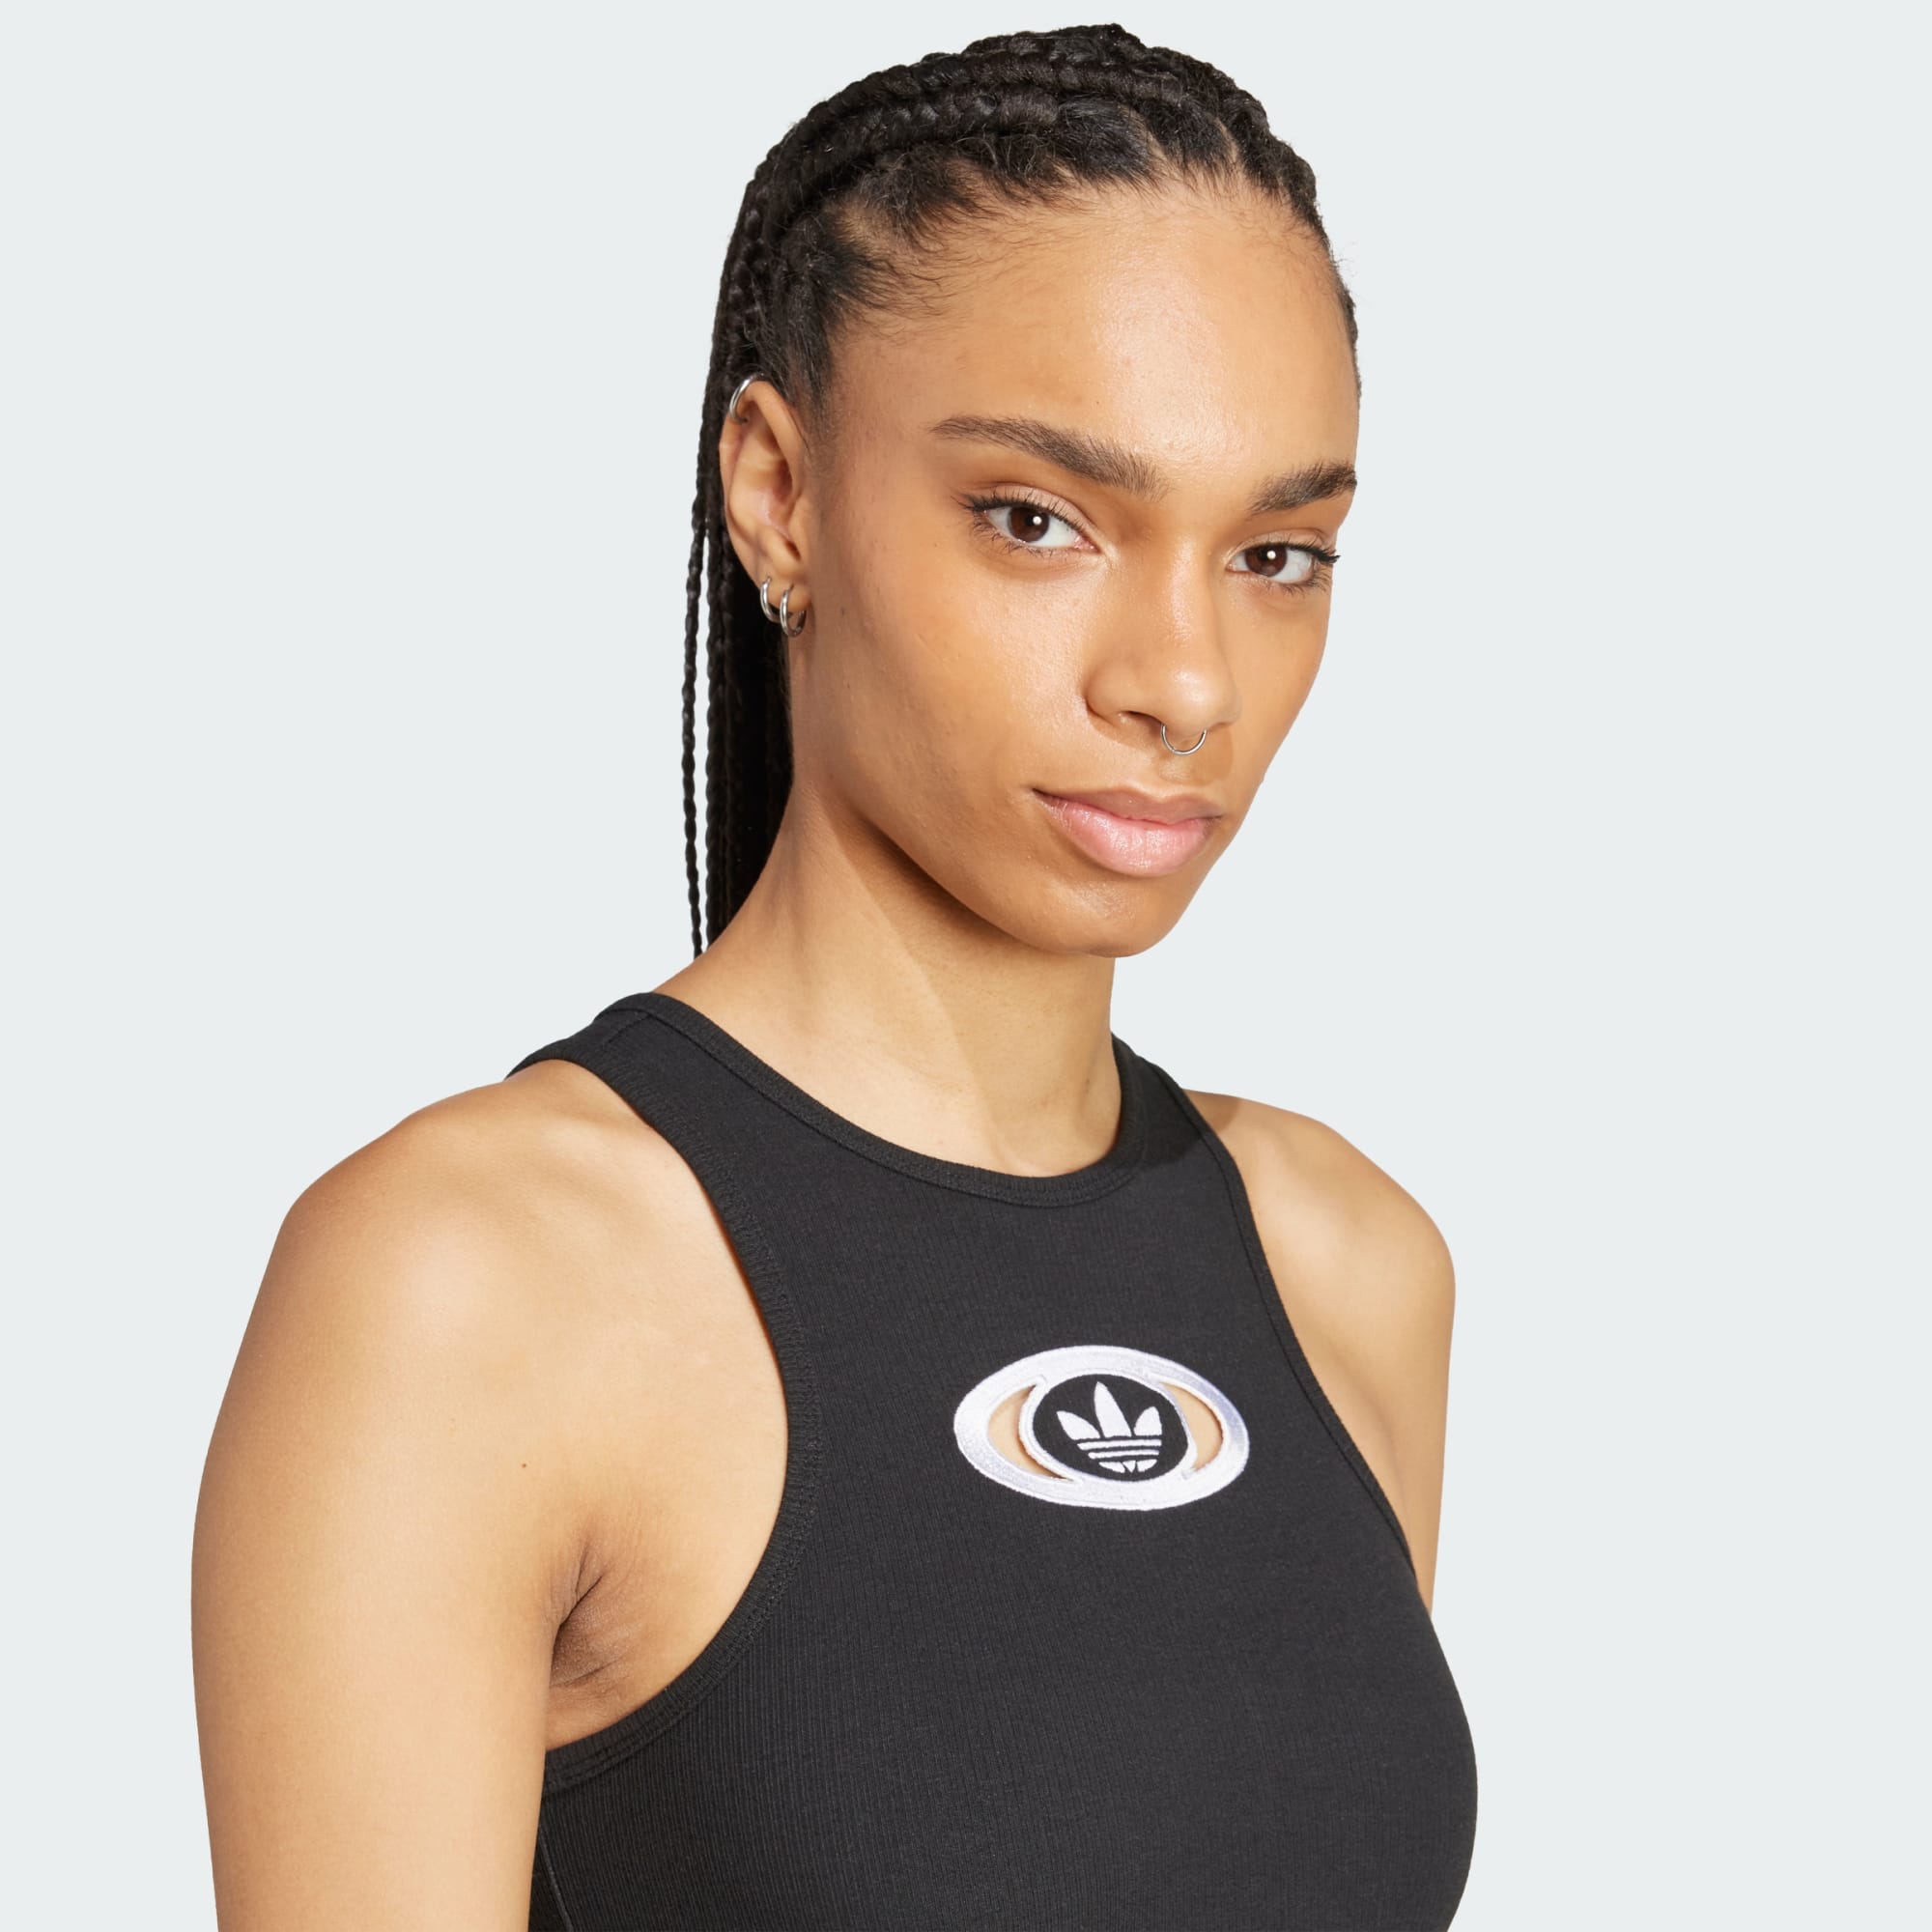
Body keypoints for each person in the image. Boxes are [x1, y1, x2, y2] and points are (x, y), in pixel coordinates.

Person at [193, 23, 1477, 1930]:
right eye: (1039, 521)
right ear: (778, 492)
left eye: (1277, 553)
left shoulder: (1342, 1265)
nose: (1183, 680)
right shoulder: (470, 1282)